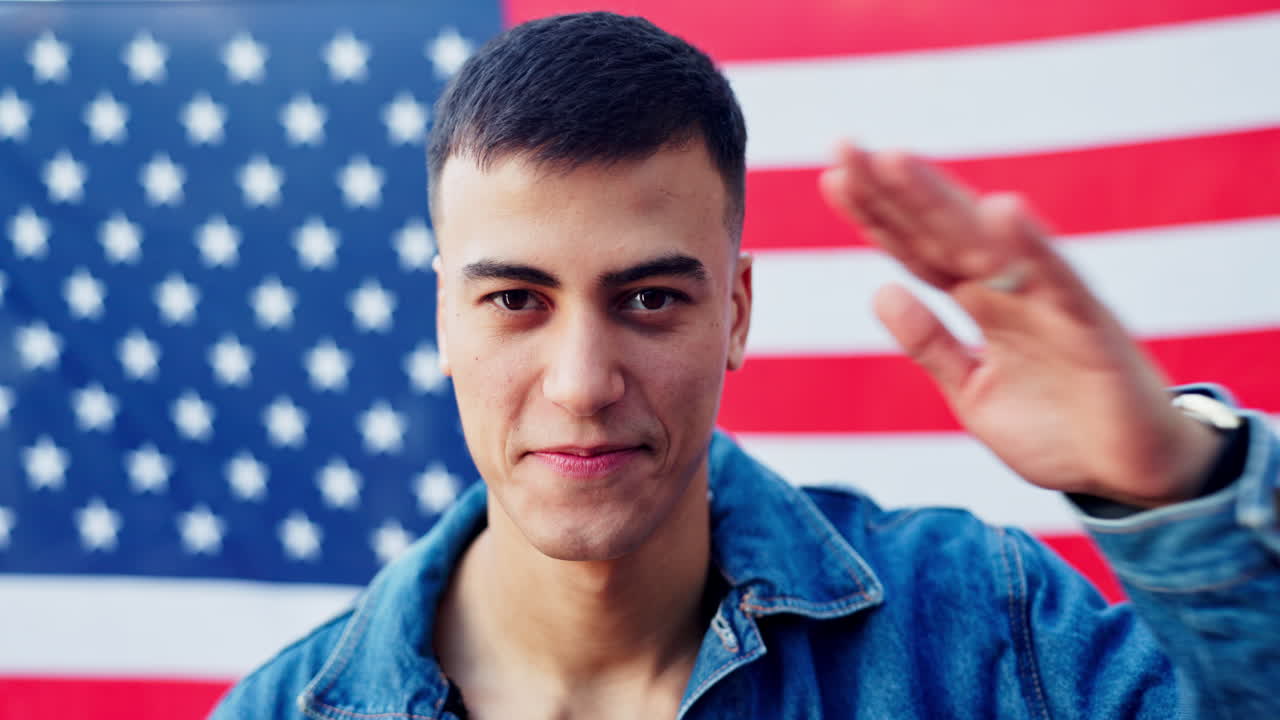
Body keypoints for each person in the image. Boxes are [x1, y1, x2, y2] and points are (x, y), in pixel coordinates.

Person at [210, 12, 1279, 719]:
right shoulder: (282, 708)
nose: (582, 384)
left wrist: (1177, 484)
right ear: (445, 318)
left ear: (735, 312)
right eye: (515, 302)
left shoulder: (983, 633)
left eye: (647, 300)